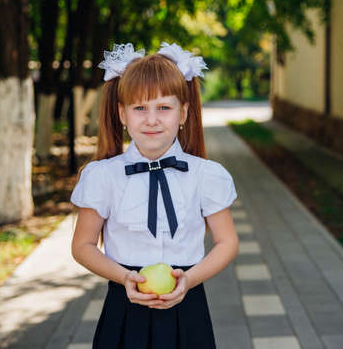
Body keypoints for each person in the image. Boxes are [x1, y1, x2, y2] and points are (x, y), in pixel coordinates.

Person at [70, 41, 239, 349]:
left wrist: (190, 279)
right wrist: (124, 278)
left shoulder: (206, 175)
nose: (151, 120)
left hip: (187, 305)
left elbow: (227, 242)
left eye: (164, 107)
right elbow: (82, 246)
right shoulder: (102, 176)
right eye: (139, 108)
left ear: (183, 113)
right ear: (122, 114)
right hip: (125, 307)